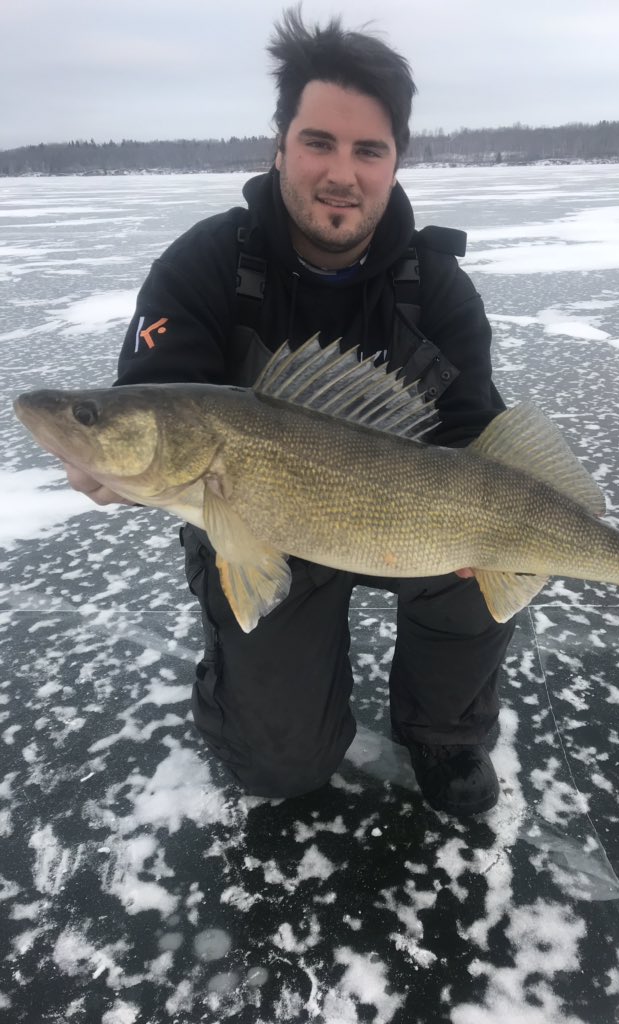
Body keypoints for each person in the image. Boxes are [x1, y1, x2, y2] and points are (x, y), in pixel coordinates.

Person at [65, 8, 515, 816]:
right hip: (258, 522)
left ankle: (444, 733)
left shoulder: (437, 287)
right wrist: (103, 454)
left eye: (367, 149)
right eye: (319, 142)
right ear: (280, 146)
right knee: (280, 768)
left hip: (405, 516)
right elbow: (155, 393)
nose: (341, 171)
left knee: (483, 564)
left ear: (395, 163)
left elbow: (478, 435)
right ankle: (247, 699)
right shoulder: (205, 264)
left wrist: (503, 536)